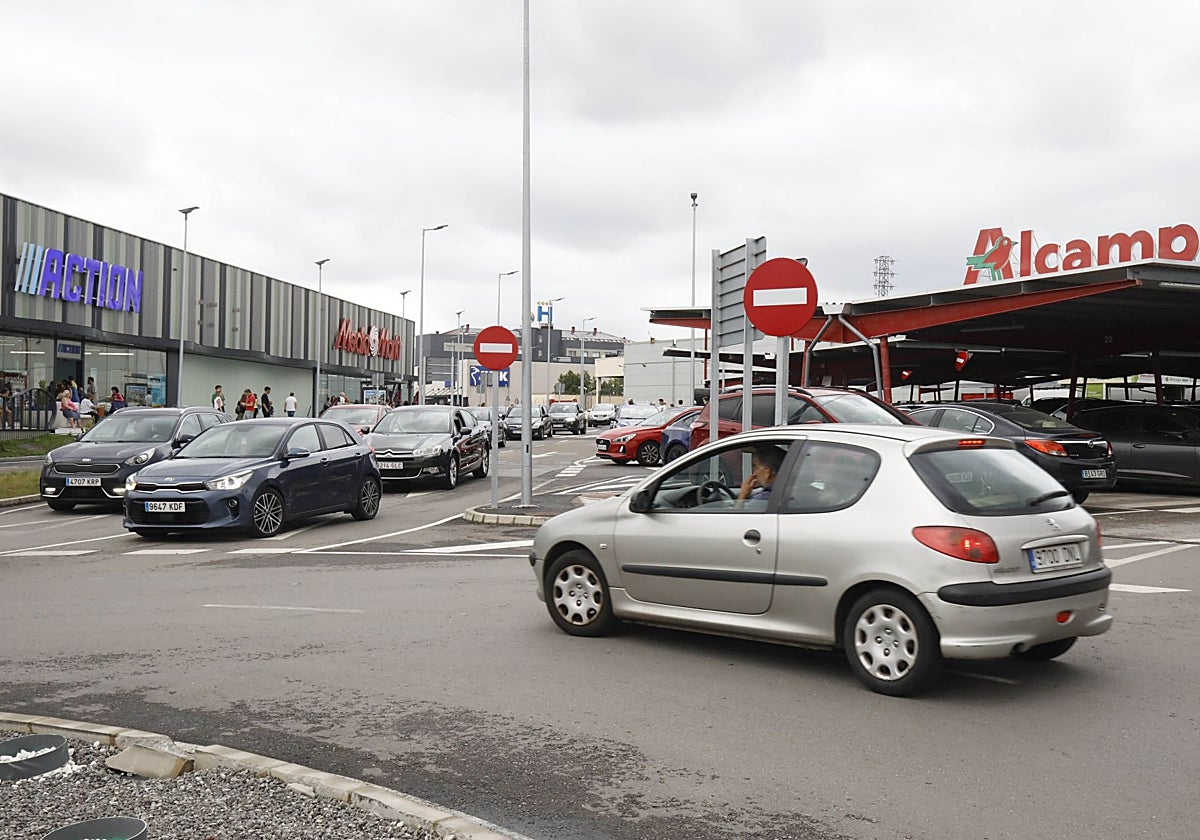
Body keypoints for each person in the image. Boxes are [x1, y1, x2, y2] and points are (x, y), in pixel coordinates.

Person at [736, 444, 786, 510]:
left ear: (767, 471)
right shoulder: (788, 491)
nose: (754, 474)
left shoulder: (761, 500)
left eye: (756, 467)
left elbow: (736, 518)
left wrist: (742, 495)